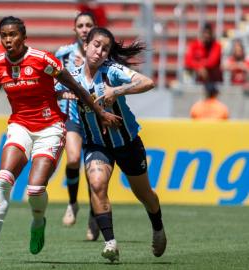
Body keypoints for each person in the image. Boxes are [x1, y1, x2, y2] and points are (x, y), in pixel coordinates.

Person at [0, 16, 121, 262]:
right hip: (20, 126)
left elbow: (76, 87)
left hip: (50, 128)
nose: (8, 40)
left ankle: (37, 221)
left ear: (24, 37)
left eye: (13, 35)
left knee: (34, 189)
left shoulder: (43, 60)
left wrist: (100, 112)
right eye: (4, 35)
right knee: (3, 179)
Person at [57, 27, 166, 262]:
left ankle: (158, 227)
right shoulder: (71, 77)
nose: (100, 51)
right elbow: (50, 91)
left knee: (145, 194)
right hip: (97, 145)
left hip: (127, 143)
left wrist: (117, 90)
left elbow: (147, 82)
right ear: (85, 46)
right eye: (96, 45)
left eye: (105, 49)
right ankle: (110, 243)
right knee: (97, 184)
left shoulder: (112, 72)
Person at [55, 11, 99, 240]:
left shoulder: (102, 54)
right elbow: (52, 86)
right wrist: (63, 92)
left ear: (94, 28)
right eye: (80, 25)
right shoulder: (63, 54)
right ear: (74, 30)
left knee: (95, 173)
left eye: (88, 25)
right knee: (73, 159)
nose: (84, 29)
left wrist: (89, 68)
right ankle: (73, 203)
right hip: (72, 116)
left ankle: (95, 215)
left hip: (96, 119)